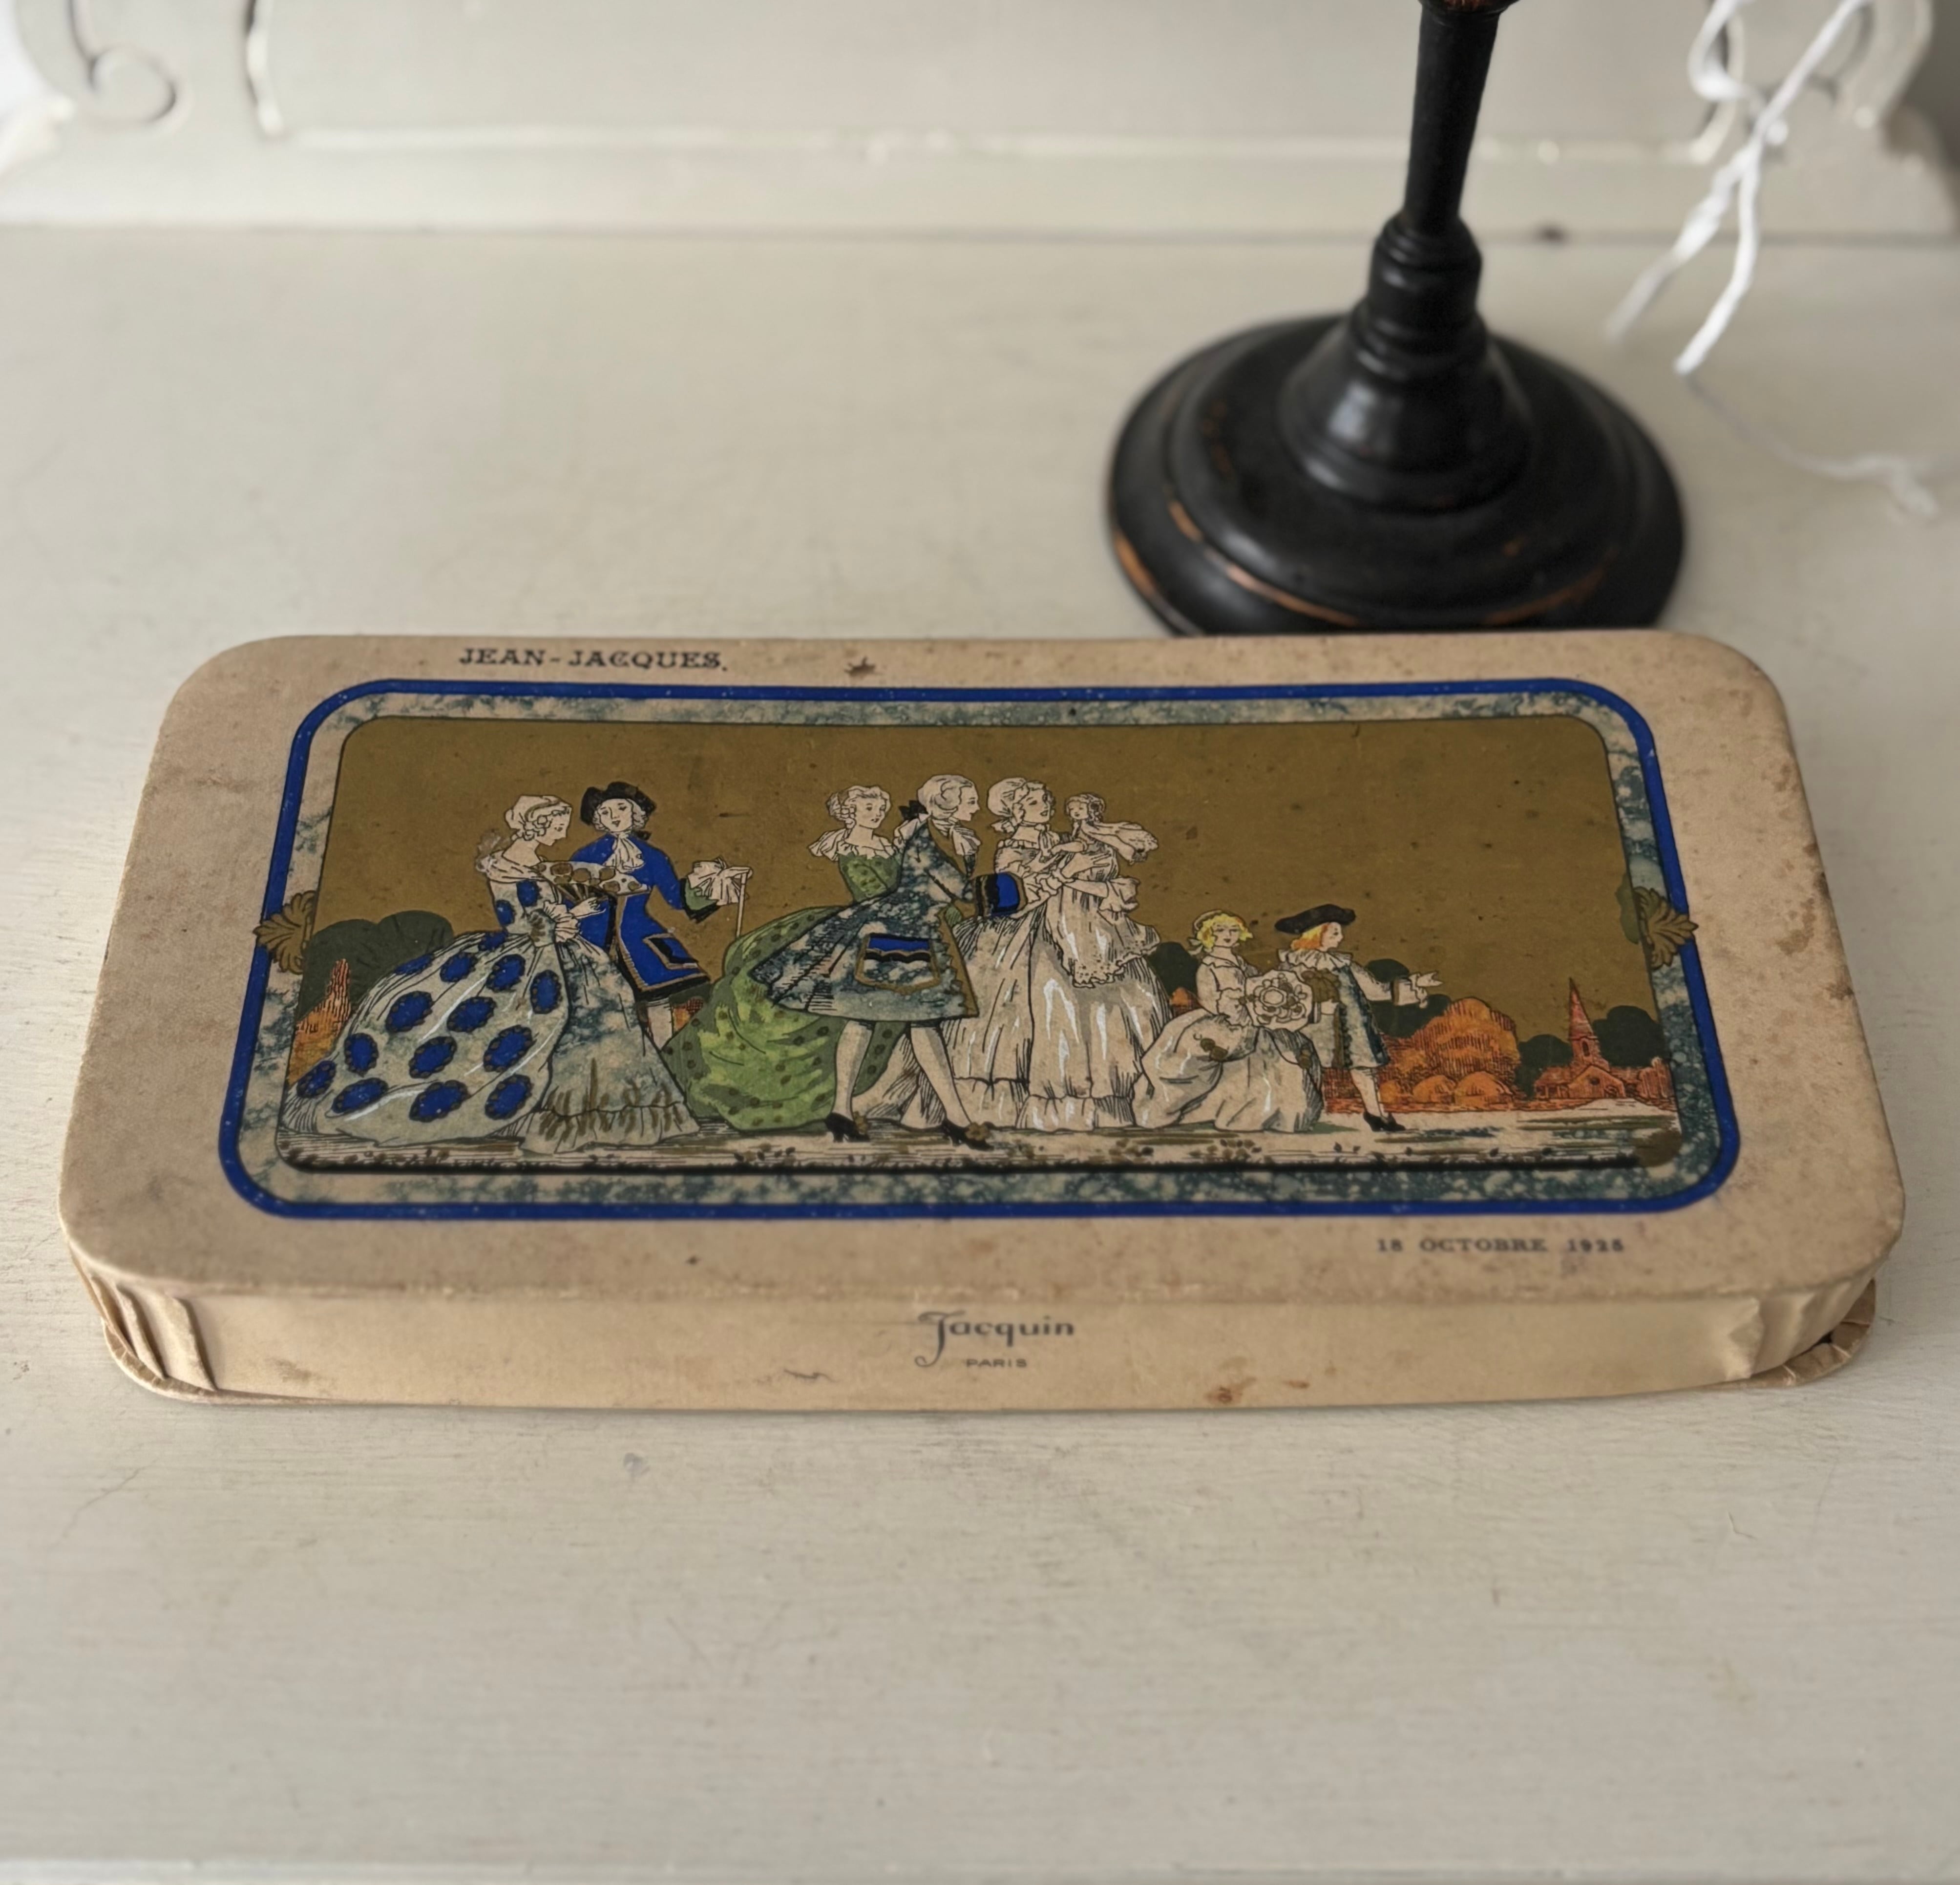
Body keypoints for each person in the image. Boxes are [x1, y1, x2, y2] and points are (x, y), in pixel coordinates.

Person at [284, 794, 698, 1153]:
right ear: (538, 825)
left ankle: (596, 1113)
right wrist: (577, 914)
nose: (563, 831)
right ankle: (568, 1117)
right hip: (533, 955)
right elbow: (524, 923)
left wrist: (572, 912)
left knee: (600, 1015)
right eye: (557, 824)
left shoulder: (537, 862)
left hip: (556, 949)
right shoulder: (509, 865)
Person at [751, 774, 1007, 1148]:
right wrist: (1016, 889)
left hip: (915, 934)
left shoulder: (943, 837)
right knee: (895, 1021)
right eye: (969, 800)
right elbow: (962, 892)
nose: (977, 807)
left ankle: (863, 1111)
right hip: (896, 938)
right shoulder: (928, 839)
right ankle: (945, 1117)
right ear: (944, 804)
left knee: (893, 1022)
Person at [664, 785, 908, 1133]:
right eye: (868, 807)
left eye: (879, 807)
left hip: (887, 924)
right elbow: (873, 893)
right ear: (850, 812)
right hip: (864, 924)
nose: (877, 813)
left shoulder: (888, 845)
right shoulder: (849, 846)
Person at [1018, 793, 1169, 1131]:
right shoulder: (1050, 842)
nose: (1071, 812)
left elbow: (1104, 845)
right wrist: (1057, 863)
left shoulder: (1091, 832)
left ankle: (1127, 1088)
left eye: (1079, 808)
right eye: (1070, 808)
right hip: (1064, 910)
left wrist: (1066, 862)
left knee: (1119, 987)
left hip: (1087, 904)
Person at [569, 780, 750, 1048]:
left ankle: (665, 1052)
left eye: (621, 808)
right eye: (605, 812)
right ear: (598, 820)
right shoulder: (585, 856)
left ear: (636, 812)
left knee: (661, 997)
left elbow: (676, 899)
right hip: (593, 939)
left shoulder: (653, 857)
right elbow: (568, 898)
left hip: (640, 938)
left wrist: (714, 885)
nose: (614, 816)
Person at [1133, 912, 1323, 1133]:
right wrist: (1233, 1007)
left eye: (1233, 931)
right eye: (1221, 931)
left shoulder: (1240, 962)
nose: (1228, 935)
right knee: (1195, 1059)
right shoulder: (1209, 966)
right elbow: (1208, 999)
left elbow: (1257, 984)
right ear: (1208, 936)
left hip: (1251, 1020)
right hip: (1222, 1021)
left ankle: (1271, 1113)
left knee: (1281, 1056)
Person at [1273, 903, 1443, 1133]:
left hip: (1352, 1027)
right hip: (1313, 1028)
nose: (1341, 938)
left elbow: (1377, 991)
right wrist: (1316, 1009)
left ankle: (1377, 1114)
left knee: (1364, 1070)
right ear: (1317, 935)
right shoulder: (1293, 965)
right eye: (1335, 933)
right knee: (1306, 1071)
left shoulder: (1345, 964)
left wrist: (1417, 983)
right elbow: (1284, 1000)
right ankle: (1299, 1115)